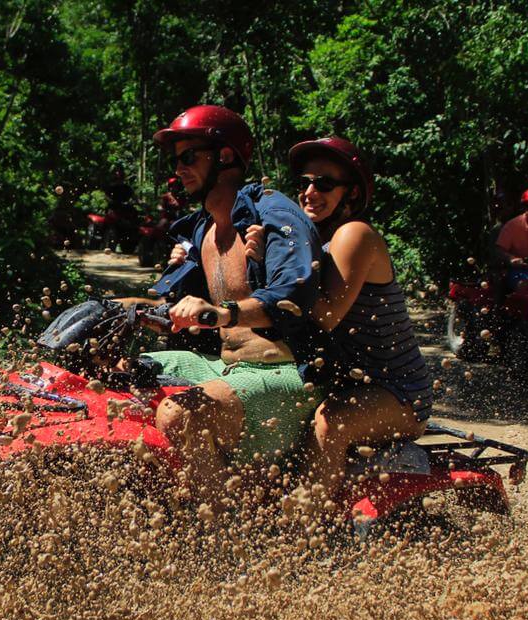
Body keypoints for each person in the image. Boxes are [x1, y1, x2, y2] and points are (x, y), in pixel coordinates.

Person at [139, 105, 323, 502]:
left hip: (284, 373)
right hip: (227, 365)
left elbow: (296, 294)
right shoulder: (200, 229)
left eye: (189, 157)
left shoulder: (272, 213)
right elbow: (170, 301)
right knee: (125, 375)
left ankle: (222, 533)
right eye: (176, 160)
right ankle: (168, 496)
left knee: (178, 413)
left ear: (224, 157)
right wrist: (130, 311)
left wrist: (225, 312)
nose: (179, 169)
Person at [247, 136, 432, 513]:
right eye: (304, 183)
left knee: (331, 424)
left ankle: (315, 530)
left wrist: (275, 266)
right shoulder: (314, 240)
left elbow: (326, 315)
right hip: (342, 378)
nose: (310, 192)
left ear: (351, 193)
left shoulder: (354, 234)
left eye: (324, 184)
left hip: (395, 390)